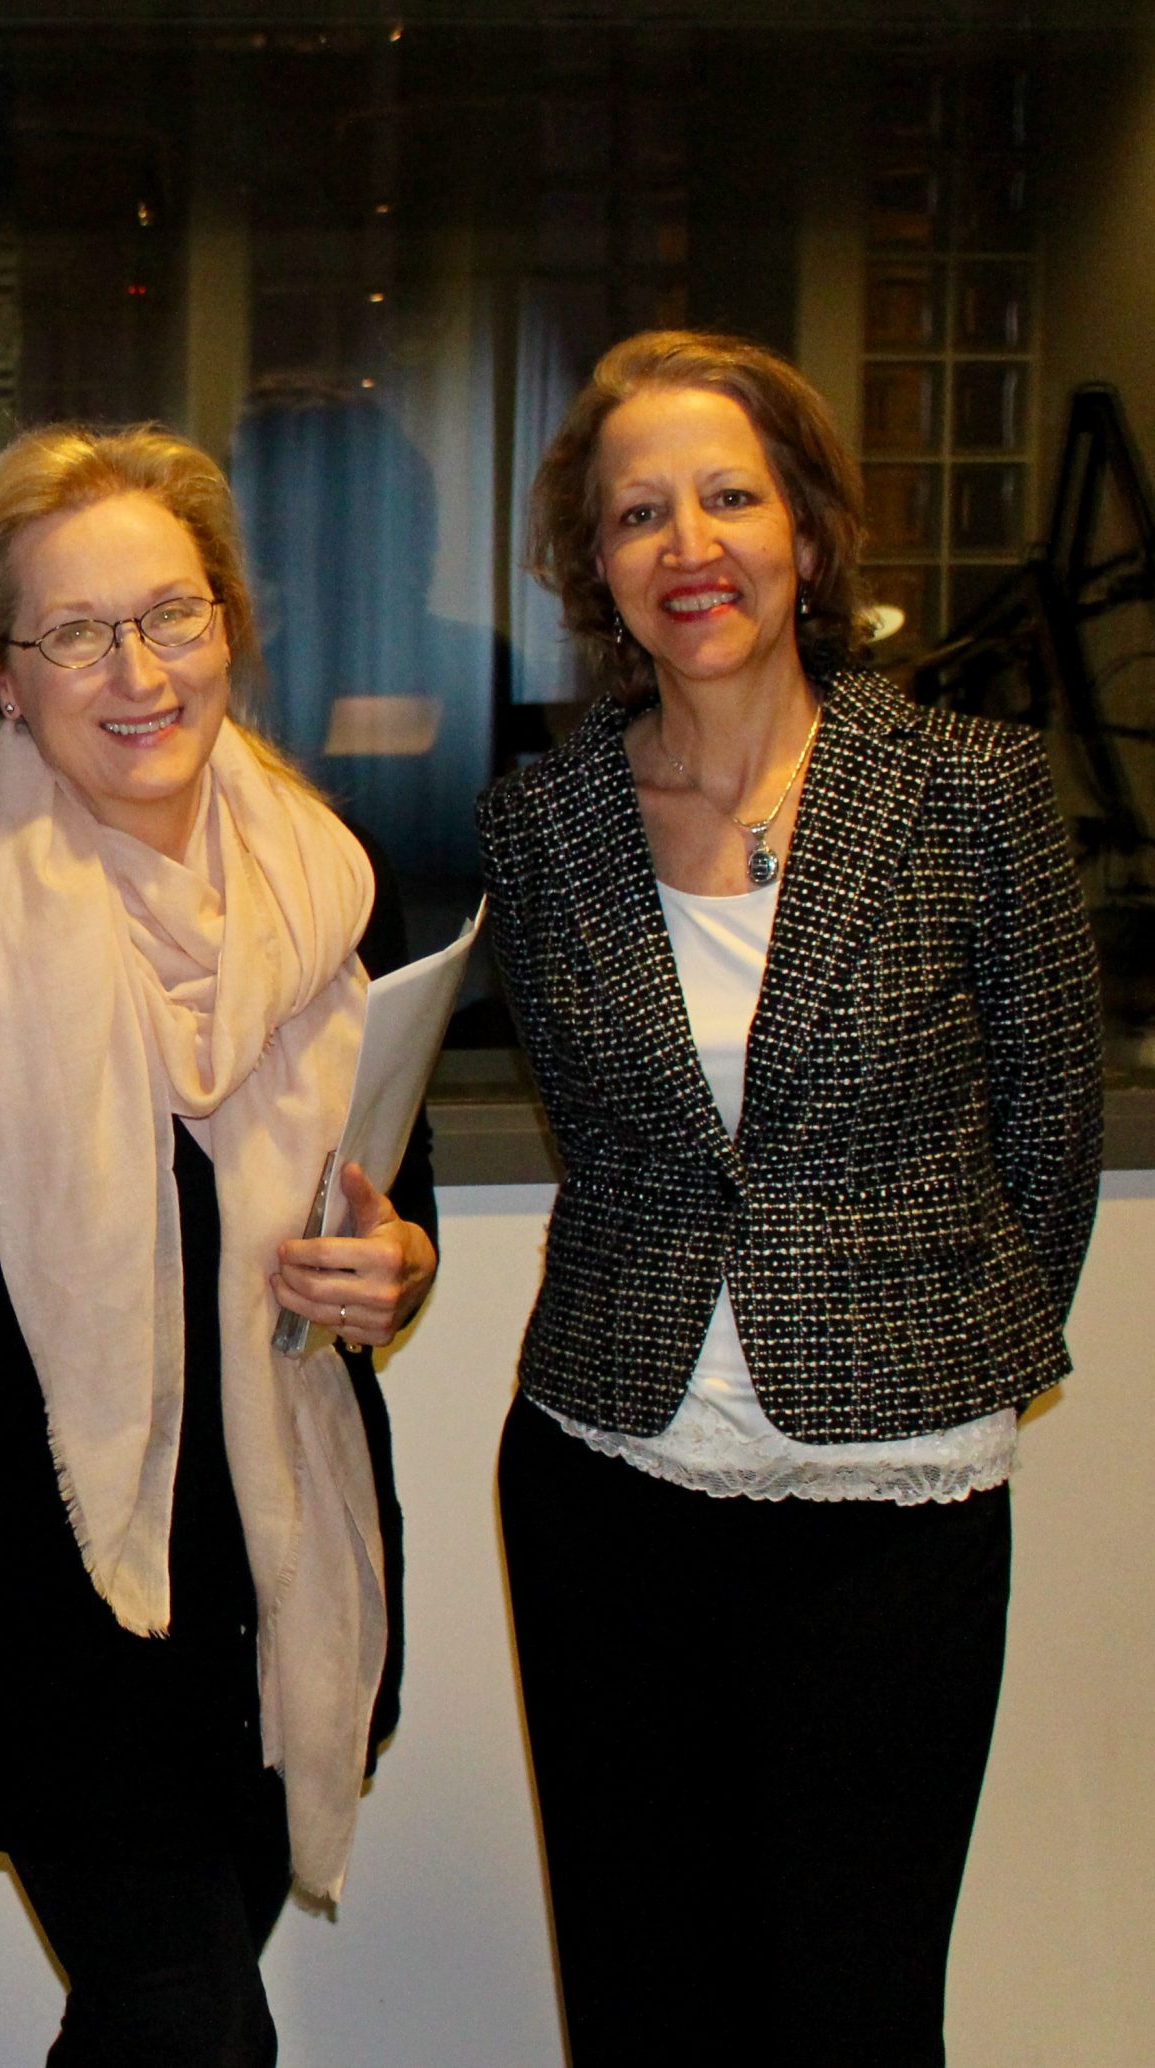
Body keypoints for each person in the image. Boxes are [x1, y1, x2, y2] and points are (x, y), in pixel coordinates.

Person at [0, 424, 439, 2066]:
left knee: (170, 2031)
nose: (136, 671)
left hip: (283, 1601)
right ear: (5, 677)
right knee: (198, 2034)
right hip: (62, 1640)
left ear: (229, 626)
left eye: (172, 615)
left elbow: (386, 1217)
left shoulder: (340, 902)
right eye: (77, 634)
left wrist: (403, 1269)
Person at [479, 331, 1103, 2066]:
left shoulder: (972, 794)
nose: (691, 547)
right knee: (642, 1993)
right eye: (638, 514)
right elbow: (600, 1143)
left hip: (888, 1502)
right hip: (608, 1478)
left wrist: (926, 1336)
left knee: (854, 2004)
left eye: (730, 498)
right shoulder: (544, 826)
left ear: (808, 536)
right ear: (597, 568)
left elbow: (1051, 1145)